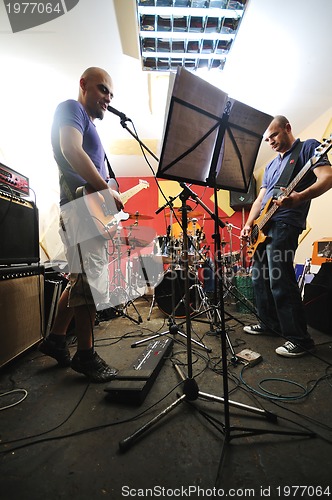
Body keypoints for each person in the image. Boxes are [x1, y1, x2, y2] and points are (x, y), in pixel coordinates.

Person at [39, 67, 123, 382]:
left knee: (79, 280)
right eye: (103, 90)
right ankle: (86, 356)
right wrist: (105, 189)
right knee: (89, 282)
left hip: (85, 209)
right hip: (78, 209)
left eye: (111, 95)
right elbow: (70, 150)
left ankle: (56, 340)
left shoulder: (90, 125)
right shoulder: (71, 108)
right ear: (83, 85)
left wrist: (106, 191)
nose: (108, 98)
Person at [241, 115, 332, 357]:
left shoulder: (309, 147)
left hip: (285, 224)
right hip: (263, 227)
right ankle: (270, 324)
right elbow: (261, 200)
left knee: (280, 279)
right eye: (267, 139)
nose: (270, 141)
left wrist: (299, 197)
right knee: (259, 278)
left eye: (274, 135)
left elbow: (328, 177)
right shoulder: (270, 165)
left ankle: (300, 339)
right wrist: (249, 224)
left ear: (287, 128)